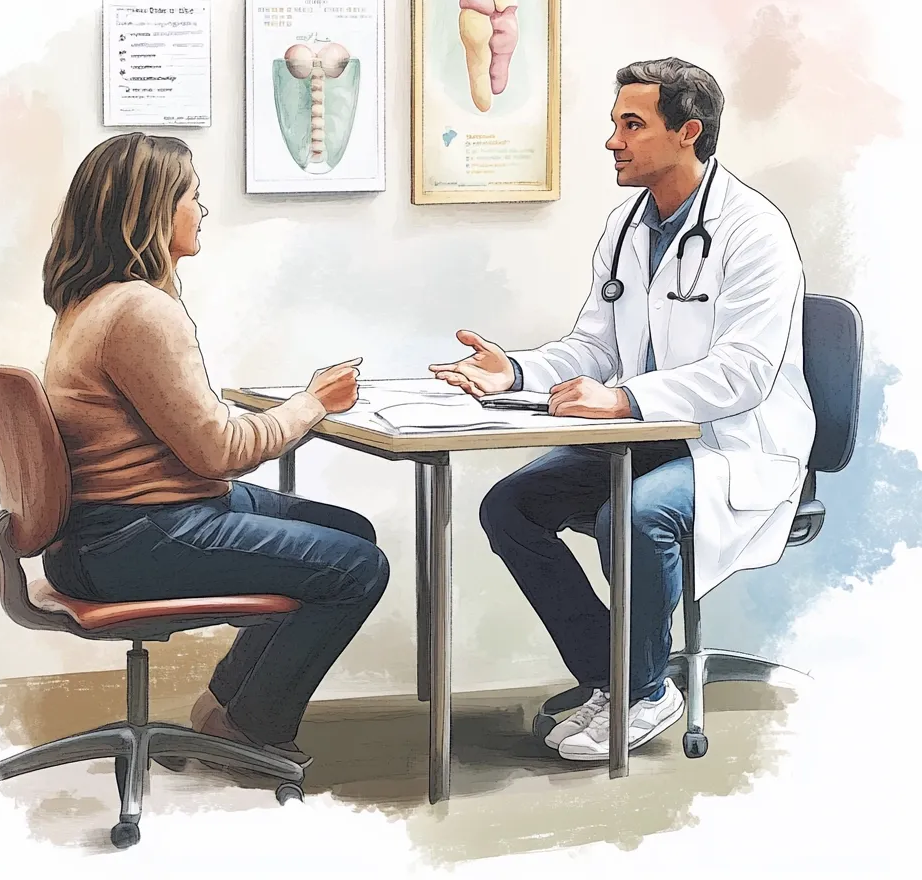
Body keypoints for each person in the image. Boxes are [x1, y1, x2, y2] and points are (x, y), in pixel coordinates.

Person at [430, 58, 815, 762]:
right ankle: (619, 679)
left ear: (688, 132)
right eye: (614, 124)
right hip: (654, 435)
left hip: (736, 440)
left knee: (633, 515)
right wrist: (514, 369)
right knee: (510, 508)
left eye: (631, 125)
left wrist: (627, 398)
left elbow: (746, 374)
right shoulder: (627, 225)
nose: (612, 140)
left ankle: (641, 693)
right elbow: (593, 345)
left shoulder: (754, 231)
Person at [41, 132, 388, 767]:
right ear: (151, 210)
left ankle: (224, 709)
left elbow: (189, 434)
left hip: (106, 531)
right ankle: (250, 728)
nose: (202, 211)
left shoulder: (90, 303)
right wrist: (313, 403)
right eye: (193, 197)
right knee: (356, 568)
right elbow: (219, 452)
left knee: (350, 530)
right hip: (136, 536)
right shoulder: (139, 311)